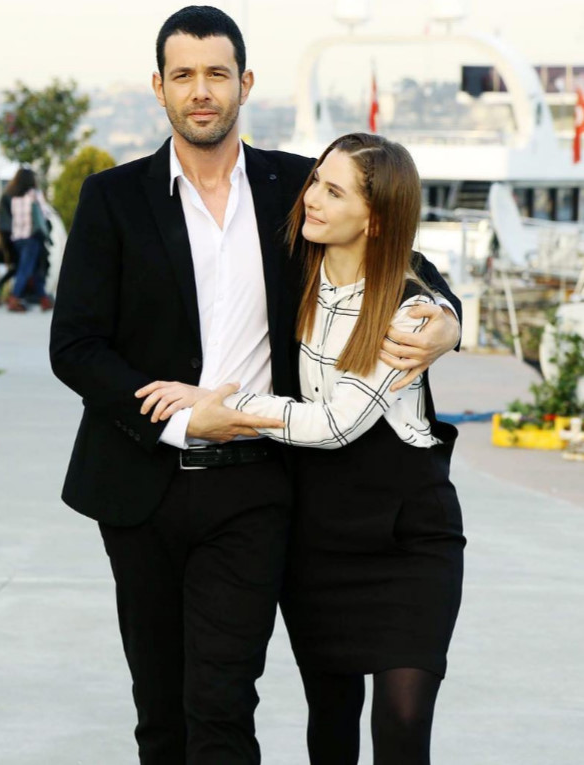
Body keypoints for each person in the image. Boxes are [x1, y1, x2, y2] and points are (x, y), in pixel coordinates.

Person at [50, 7, 461, 764]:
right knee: (160, 709)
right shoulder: (113, 197)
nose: (200, 91)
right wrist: (179, 420)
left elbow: (400, 255)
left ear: (245, 83)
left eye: (216, 73)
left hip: (255, 485)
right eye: (183, 75)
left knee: (222, 702)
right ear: (159, 87)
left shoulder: (295, 186)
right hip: (139, 483)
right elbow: (75, 347)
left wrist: (448, 320)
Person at [138, 133, 466, 765]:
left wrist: (218, 407)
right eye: (316, 180)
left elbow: (335, 424)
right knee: (331, 721)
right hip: (316, 535)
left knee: (402, 723)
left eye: (333, 192)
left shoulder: (408, 311)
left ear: (374, 220)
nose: (311, 198)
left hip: (409, 537)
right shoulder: (296, 273)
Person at [7, 167, 53, 312]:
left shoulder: (14, 196)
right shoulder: (34, 194)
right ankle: (14, 299)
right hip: (32, 237)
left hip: (17, 237)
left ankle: (44, 299)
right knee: (26, 269)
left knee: (33, 268)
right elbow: (45, 213)